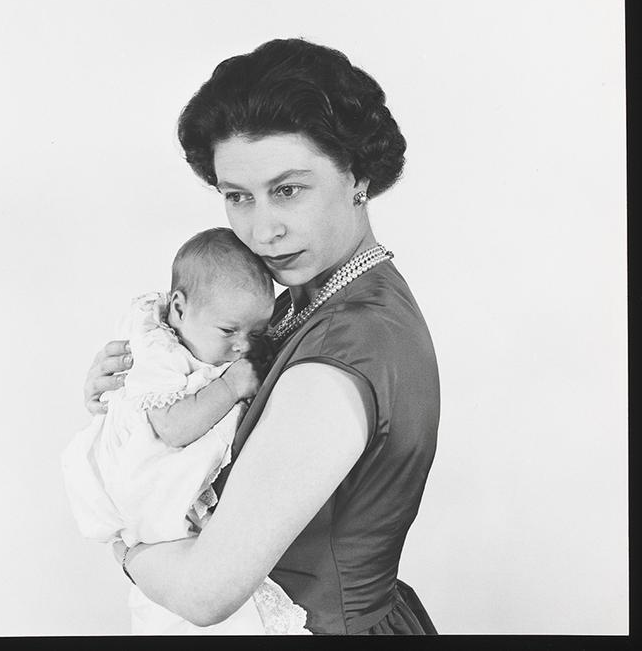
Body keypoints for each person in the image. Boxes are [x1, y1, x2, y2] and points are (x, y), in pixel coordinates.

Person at [83, 38, 441, 634]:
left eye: (289, 189)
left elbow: (203, 595)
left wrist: (121, 538)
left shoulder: (339, 358)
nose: (263, 229)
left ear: (358, 176)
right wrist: (131, 399)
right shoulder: (316, 303)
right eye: (237, 197)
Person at [62, 227, 310, 634]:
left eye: (255, 334)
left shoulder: (205, 337)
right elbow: (174, 428)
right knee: (174, 612)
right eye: (229, 331)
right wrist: (231, 387)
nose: (241, 347)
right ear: (178, 307)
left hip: (182, 525)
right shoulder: (158, 352)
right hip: (149, 498)